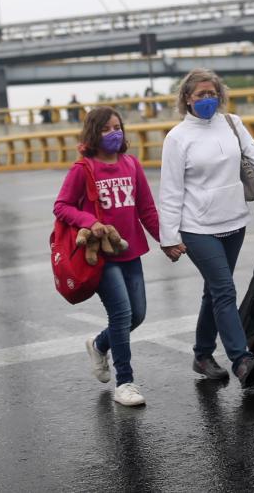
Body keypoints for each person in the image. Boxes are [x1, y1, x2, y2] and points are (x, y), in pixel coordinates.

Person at [158, 68, 254, 388]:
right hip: (197, 227)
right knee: (224, 290)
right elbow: (170, 191)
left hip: (234, 221)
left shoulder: (232, 124)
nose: (207, 99)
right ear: (186, 100)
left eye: (212, 93)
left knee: (214, 290)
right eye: (200, 95)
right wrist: (169, 237)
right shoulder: (177, 138)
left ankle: (202, 354)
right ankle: (241, 359)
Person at [53, 106, 161, 407]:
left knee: (137, 315)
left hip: (131, 250)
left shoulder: (131, 164)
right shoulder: (83, 169)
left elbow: (147, 210)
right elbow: (61, 206)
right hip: (100, 255)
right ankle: (124, 382)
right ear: (93, 134)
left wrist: (167, 241)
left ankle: (99, 344)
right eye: (107, 129)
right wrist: (90, 223)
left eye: (118, 127)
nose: (115, 133)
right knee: (122, 313)